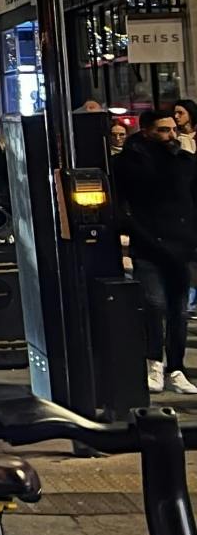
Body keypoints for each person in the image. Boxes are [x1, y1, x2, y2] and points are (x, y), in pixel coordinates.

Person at [114, 109, 197, 394]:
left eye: (173, 130)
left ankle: (176, 367)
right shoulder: (128, 163)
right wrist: (132, 230)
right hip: (148, 244)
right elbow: (120, 203)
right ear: (147, 131)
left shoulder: (185, 163)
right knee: (154, 304)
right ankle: (153, 363)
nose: (171, 135)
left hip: (180, 245)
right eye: (163, 130)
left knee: (178, 310)